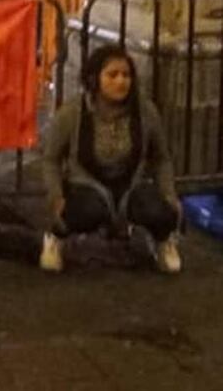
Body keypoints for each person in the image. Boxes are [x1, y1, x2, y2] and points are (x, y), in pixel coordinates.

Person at [39, 45, 181, 274]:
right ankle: (55, 239)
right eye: (112, 75)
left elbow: (162, 158)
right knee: (85, 212)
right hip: (87, 184)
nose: (121, 82)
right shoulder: (73, 112)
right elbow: (50, 159)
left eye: (126, 75)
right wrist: (56, 196)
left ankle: (163, 243)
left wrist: (169, 195)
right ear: (95, 79)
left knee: (159, 211)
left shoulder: (145, 111)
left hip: (130, 185)